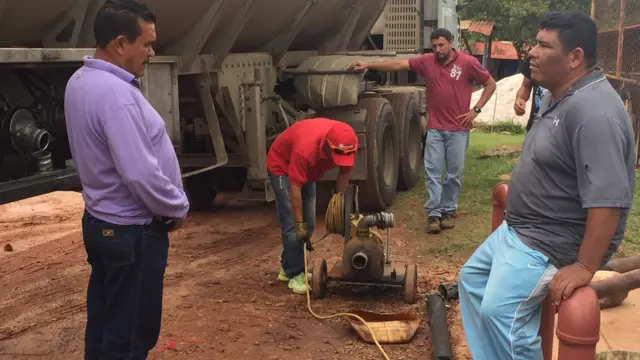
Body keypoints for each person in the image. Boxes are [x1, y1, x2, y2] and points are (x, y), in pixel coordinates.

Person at [458, 11, 636, 360]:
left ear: (575, 58)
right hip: (522, 228)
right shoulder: (560, 93)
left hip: (551, 240)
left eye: (543, 45)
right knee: (472, 282)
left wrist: (585, 266)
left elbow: (608, 200)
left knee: (501, 313)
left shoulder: (594, 112)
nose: (532, 54)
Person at [64, 0, 190, 358]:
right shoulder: (116, 95)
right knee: (130, 336)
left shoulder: (81, 81)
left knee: (105, 325)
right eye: (146, 44)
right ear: (120, 44)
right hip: (131, 234)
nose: (151, 53)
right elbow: (140, 173)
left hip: (104, 224)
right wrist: (177, 206)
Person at [350, 28, 496, 234]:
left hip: (458, 129)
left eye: (441, 45)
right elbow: (398, 64)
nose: (438, 50)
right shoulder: (427, 61)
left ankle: (448, 211)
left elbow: (490, 84)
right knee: (432, 172)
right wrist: (367, 64)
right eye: (434, 46)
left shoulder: (468, 63)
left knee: (454, 174)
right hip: (435, 128)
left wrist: (476, 110)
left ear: (451, 43)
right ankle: (434, 214)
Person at [267, 118, 358, 294]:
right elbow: (295, 192)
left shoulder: (348, 142)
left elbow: (344, 173)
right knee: (294, 226)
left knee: (310, 223)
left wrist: (338, 203)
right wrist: (299, 225)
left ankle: (287, 267)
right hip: (282, 167)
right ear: (327, 146)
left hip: (309, 171)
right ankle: (296, 274)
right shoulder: (305, 151)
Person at [514, 55, 548, 131]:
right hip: (534, 127)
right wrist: (520, 99)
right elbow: (525, 86)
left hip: (560, 129)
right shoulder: (534, 57)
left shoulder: (570, 58)